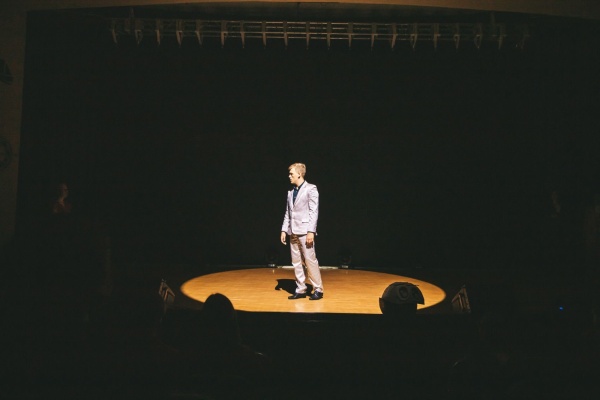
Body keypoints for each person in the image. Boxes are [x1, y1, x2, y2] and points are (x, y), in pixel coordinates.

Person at [280, 163, 324, 300]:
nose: (289, 176)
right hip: (293, 231)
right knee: (296, 262)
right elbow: (288, 212)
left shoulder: (311, 189)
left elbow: (313, 211)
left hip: (305, 231)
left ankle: (318, 289)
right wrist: (284, 230)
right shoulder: (291, 192)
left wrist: (311, 231)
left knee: (310, 261)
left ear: (299, 174)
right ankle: (300, 289)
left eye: (291, 174)